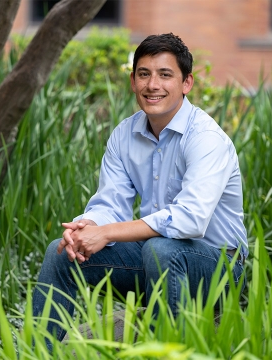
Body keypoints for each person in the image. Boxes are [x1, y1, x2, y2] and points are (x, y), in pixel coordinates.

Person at [32, 33, 248, 343]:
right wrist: (88, 227)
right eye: (144, 74)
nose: (152, 85)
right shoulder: (125, 135)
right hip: (156, 260)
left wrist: (106, 234)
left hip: (219, 267)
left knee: (160, 249)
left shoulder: (205, 138)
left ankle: (165, 348)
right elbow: (111, 204)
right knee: (61, 252)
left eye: (165, 75)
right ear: (133, 81)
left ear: (186, 83)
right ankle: (41, 350)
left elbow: (190, 220)